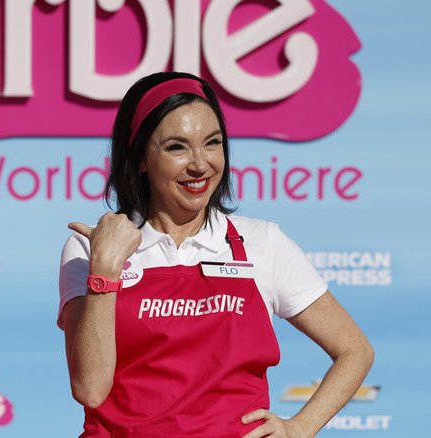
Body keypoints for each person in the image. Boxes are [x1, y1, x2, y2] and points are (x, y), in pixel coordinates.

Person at [58, 72, 373, 437]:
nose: (200, 164)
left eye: (212, 143)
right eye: (177, 147)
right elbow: (90, 390)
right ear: (140, 158)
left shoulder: (262, 242)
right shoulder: (88, 249)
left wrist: (300, 427)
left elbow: (355, 350)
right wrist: (105, 271)